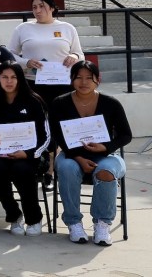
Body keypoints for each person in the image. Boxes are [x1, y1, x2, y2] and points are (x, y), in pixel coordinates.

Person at [49, 61, 131, 246]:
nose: (83, 82)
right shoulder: (59, 103)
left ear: (98, 80)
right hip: (71, 155)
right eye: (78, 77)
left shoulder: (111, 103)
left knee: (107, 171)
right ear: (71, 80)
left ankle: (102, 223)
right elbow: (57, 136)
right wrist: (78, 158)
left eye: (89, 78)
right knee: (67, 168)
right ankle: (74, 222)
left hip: (105, 155)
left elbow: (126, 135)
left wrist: (105, 147)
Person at [8, 0, 84, 190]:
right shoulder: (23, 28)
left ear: (52, 7)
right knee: (36, 126)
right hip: (33, 84)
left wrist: (73, 56)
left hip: (62, 83)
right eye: (34, 7)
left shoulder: (67, 28)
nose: (38, 10)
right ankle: (36, 168)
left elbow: (79, 53)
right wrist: (26, 62)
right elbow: (9, 55)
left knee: (57, 125)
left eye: (41, 6)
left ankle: (51, 171)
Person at [0, 61, 49, 236]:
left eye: (13, 77)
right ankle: (14, 215)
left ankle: (33, 218)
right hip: (0, 154)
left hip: (29, 156)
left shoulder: (34, 101)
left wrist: (29, 153)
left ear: (20, 79)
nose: (9, 81)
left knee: (22, 170)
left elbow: (46, 135)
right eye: (4, 77)